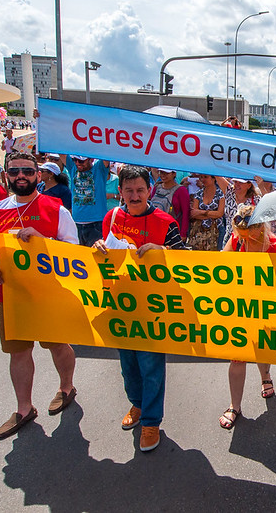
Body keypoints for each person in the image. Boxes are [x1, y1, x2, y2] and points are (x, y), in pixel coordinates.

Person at [0, 152, 79, 439]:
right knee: (18, 352)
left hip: (47, 294)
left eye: (26, 170)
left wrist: (43, 241)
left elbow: (73, 253)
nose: (20, 176)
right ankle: (24, 408)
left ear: (38, 174)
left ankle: (66, 387)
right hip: (10, 295)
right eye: (14, 171)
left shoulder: (56, 209)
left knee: (57, 345)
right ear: (6, 175)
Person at [92, 165, 187, 452]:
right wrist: (98, 249)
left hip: (154, 308)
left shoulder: (164, 221)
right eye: (129, 190)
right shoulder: (111, 217)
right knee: (128, 365)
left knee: (151, 367)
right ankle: (136, 403)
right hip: (121, 304)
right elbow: (105, 256)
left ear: (150, 191)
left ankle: (150, 421)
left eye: (140, 190)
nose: (135, 196)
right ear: (119, 191)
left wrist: (164, 252)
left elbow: (184, 264)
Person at [218, 204, 276, 429]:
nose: (244, 234)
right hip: (241, 308)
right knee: (237, 357)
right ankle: (234, 406)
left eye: (249, 229)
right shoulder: (237, 239)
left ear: (261, 226)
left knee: (262, 349)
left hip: (268, 309)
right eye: (240, 230)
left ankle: (265, 376)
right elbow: (222, 264)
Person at [65, 155, 110, 246]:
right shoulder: (73, 168)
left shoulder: (99, 169)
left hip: (96, 224)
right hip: (76, 223)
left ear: (91, 159)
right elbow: (60, 151)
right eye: (75, 160)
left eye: (81, 161)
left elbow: (106, 153)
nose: (77, 163)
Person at [150, 169, 190, 242]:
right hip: (154, 227)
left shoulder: (181, 190)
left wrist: (183, 233)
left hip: (173, 230)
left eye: (166, 173)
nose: (163, 175)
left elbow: (185, 213)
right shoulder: (157, 187)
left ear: (174, 174)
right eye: (161, 172)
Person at [187, 173, 224, 251]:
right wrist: (212, 213)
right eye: (201, 177)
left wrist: (202, 212)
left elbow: (220, 213)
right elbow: (194, 213)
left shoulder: (220, 194)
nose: (203, 179)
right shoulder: (198, 193)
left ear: (213, 178)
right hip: (200, 231)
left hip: (217, 230)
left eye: (206, 177)